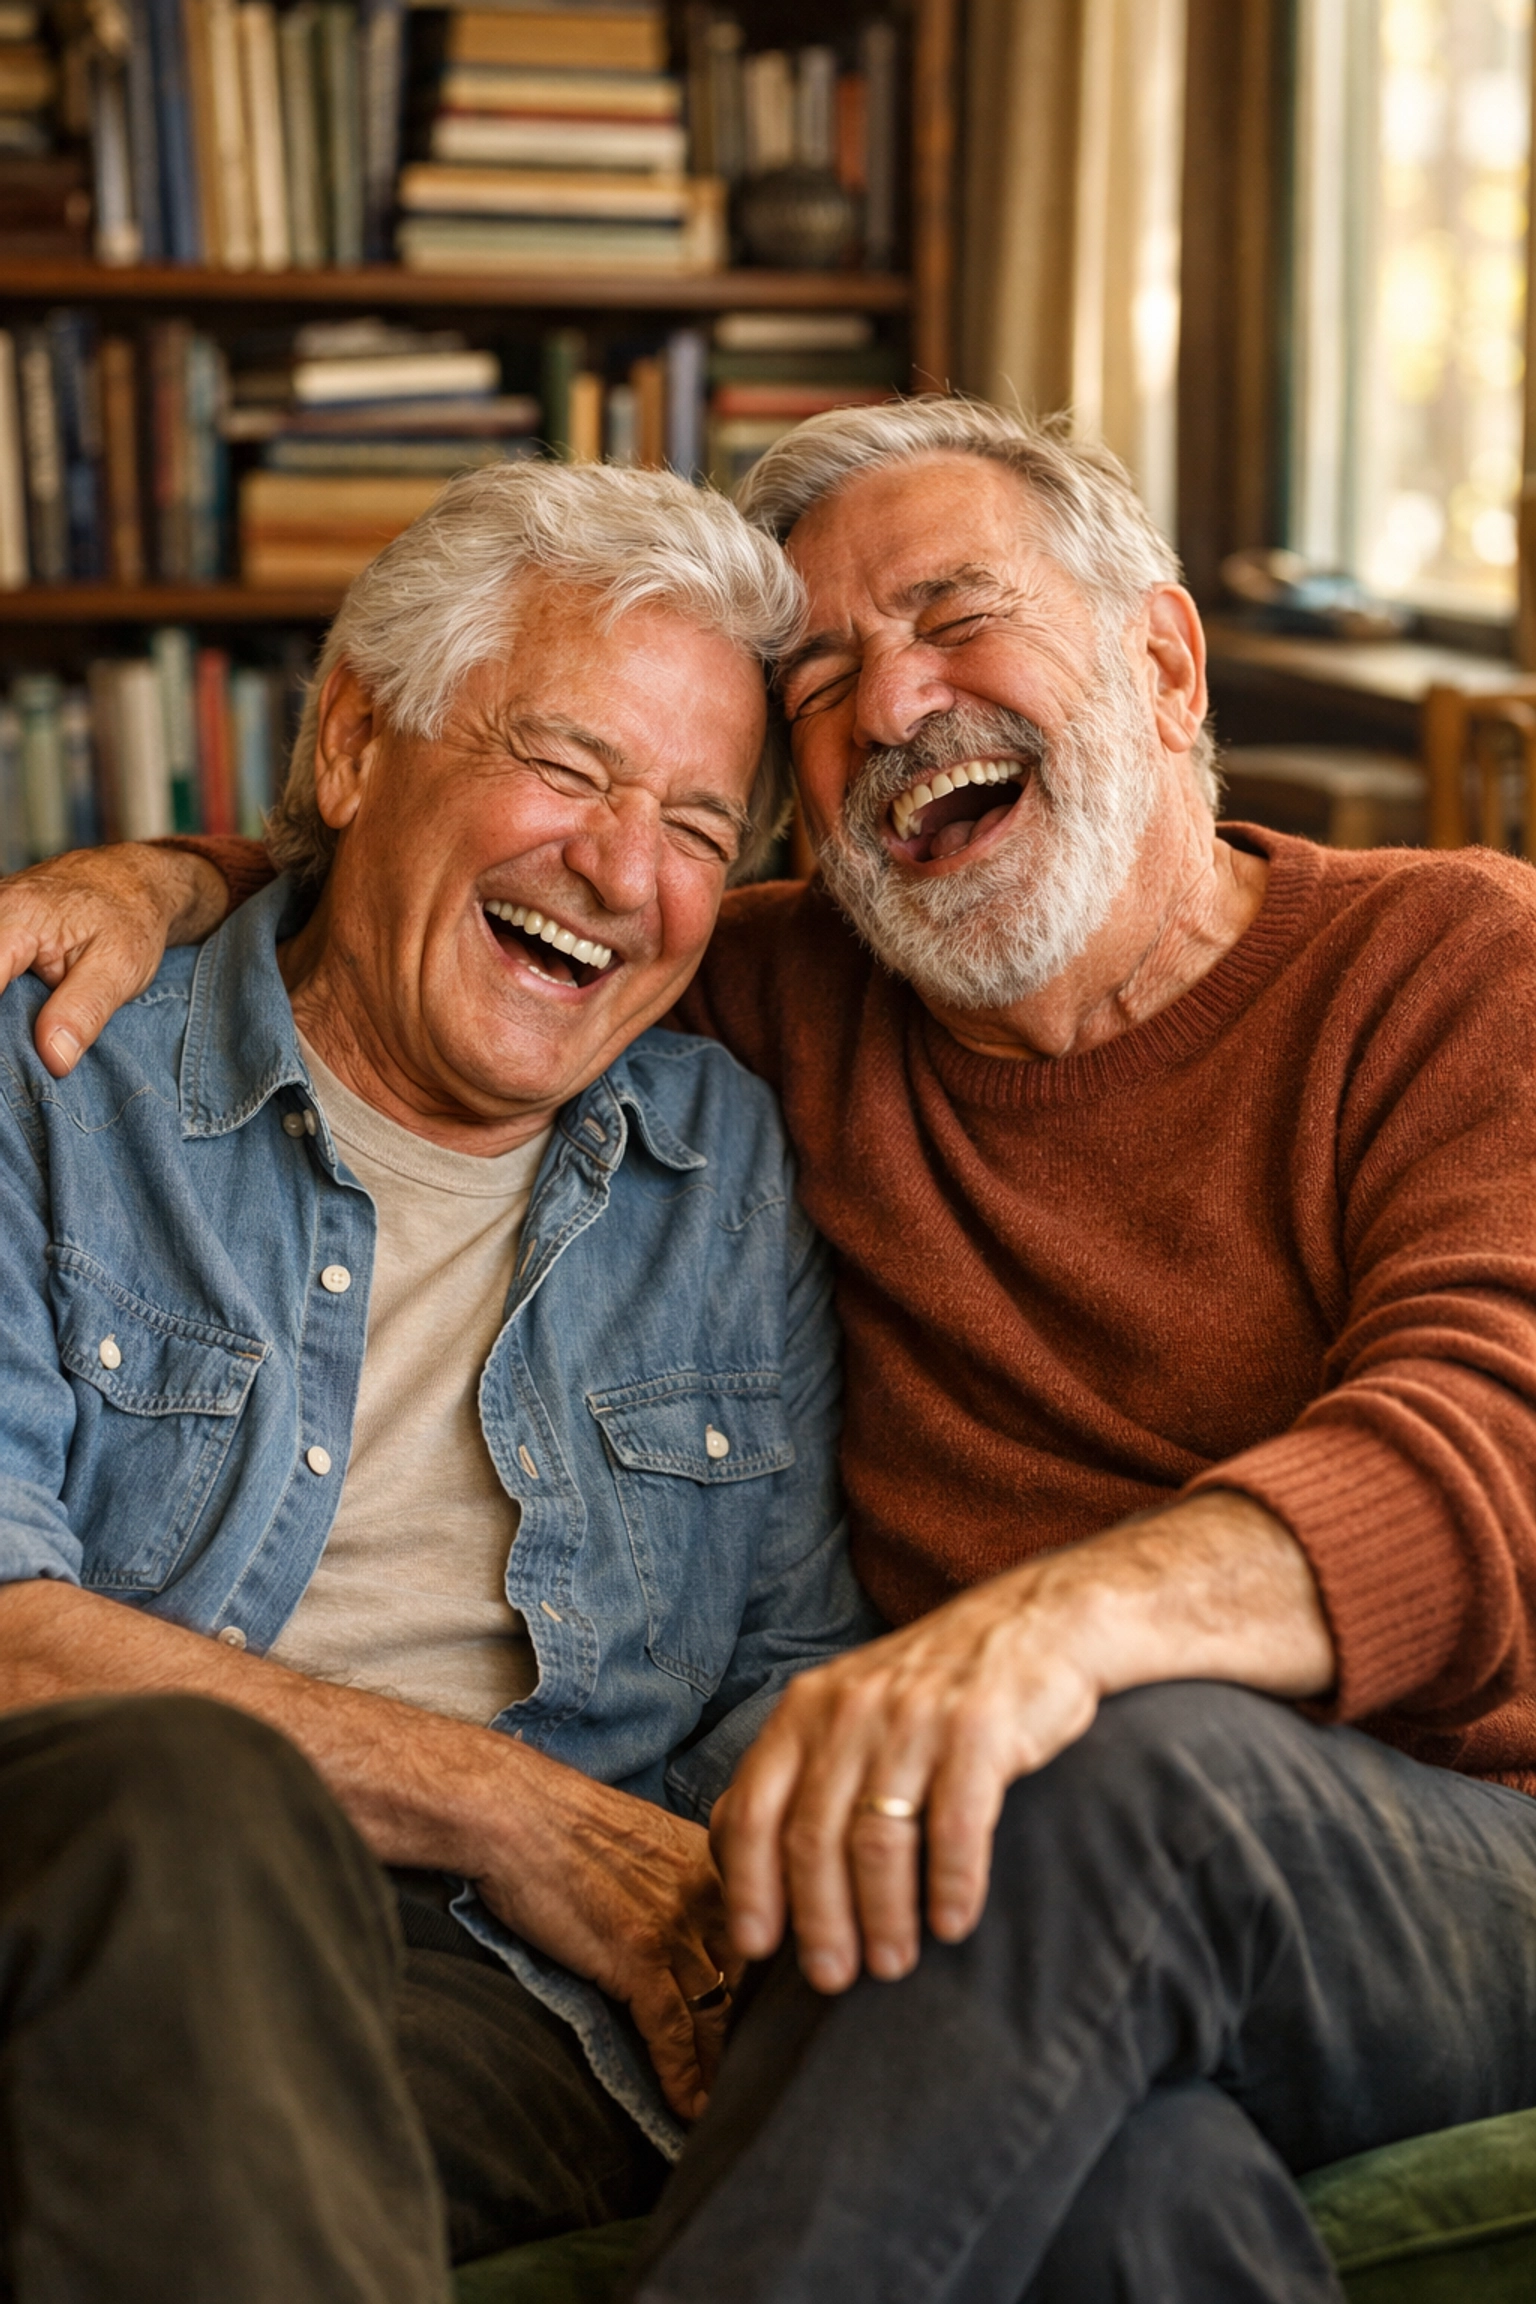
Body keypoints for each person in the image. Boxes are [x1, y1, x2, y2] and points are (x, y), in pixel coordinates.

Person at [8, 400, 1536, 2303]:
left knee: (1038, 1779)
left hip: (1443, 1861)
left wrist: (1044, 1641)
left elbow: (1497, 1441)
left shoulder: (1456, 965)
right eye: (824, 677)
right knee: (1136, 2205)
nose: (895, 707)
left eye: (958, 617)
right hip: (983, 1943)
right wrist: (158, 881)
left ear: (1161, 658)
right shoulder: (769, 1001)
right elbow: (437, 875)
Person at [0, 459, 876, 2304]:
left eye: (704, 829)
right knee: (193, 1807)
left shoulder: (723, 1164)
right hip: (94, 1873)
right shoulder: (56, 1067)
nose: (627, 875)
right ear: (349, 749)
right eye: (565, 768)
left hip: (511, 1997)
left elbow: (780, 1676)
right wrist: (500, 1804)